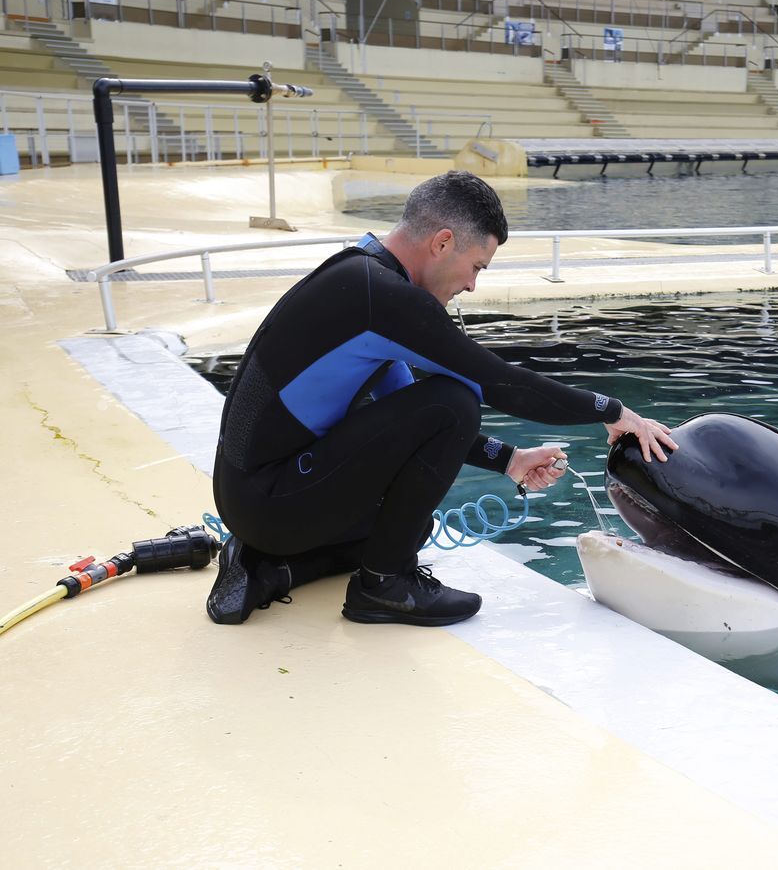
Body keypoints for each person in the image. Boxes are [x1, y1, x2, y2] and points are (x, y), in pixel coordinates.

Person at [207, 171, 677, 628]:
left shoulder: (365, 280)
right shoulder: (385, 300)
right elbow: (498, 384)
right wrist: (614, 413)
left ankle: (270, 567)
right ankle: (383, 586)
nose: (472, 286)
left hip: (258, 498)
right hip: (270, 501)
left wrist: (508, 459)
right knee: (455, 400)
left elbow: (404, 418)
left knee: (411, 526)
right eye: (476, 267)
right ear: (443, 242)